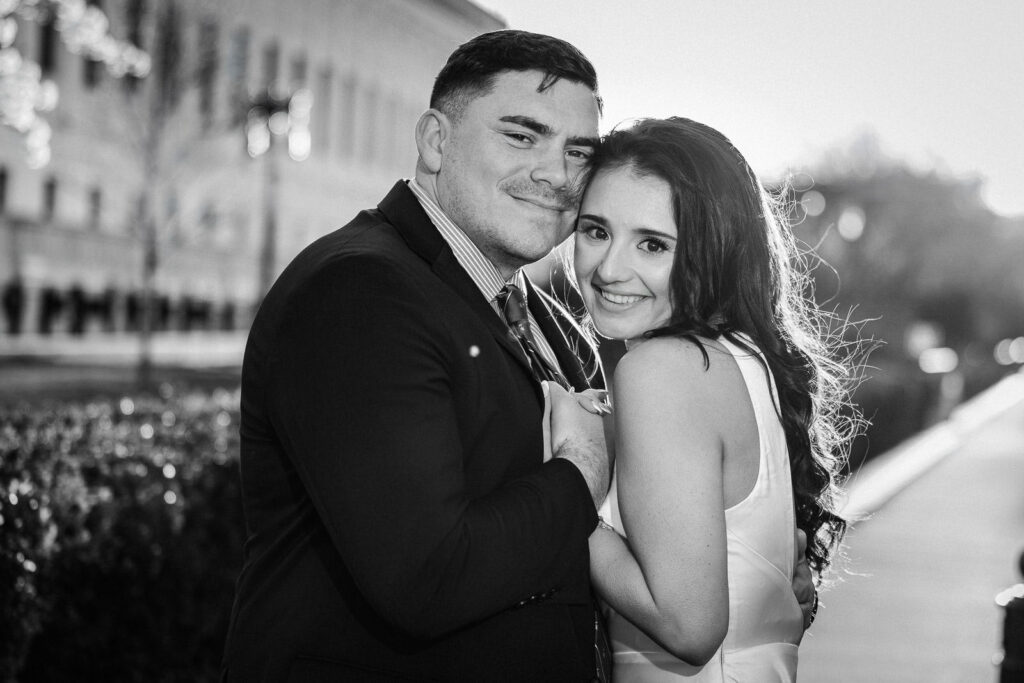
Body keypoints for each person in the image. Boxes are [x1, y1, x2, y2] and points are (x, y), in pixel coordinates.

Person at [221, 30, 615, 681]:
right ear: (435, 140)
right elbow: (427, 577)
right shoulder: (358, 291)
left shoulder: (555, 323)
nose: (558, 174)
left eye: (579, 151)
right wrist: (582, 468)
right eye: (522, 136)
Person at [553, 117, 854, 680]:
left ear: (715, 250)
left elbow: (689, 628)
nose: (609, 268)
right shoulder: (744, 360)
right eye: (596, 231)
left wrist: (562, 485)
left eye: (652, 244)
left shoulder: (660, 370)